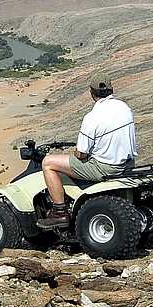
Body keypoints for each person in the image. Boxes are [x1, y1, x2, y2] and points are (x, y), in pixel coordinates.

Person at [37, 75, 137, 228]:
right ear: (111, 90)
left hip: (105, 167)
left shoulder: (92, 117)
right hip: (128, 164)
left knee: (48, 163)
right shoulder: (125, 108)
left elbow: (82, 154)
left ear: (92, 93)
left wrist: (76, 153)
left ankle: (60, 212)